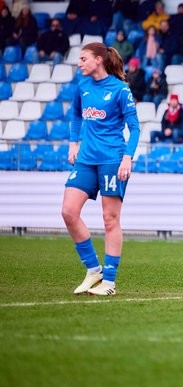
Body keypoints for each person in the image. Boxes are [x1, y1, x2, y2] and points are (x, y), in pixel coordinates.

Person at [62, 43, 140, 296]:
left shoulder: (120, 90)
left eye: (83, 58)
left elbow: (135, 128)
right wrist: (73, 143)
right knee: (68, 212)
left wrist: (127, 158)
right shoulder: (82, 87)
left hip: (112, 159)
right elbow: (75, 114)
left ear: (98, 60)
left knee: (110, 220)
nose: (79, 63)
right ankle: (93, 269)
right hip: (85, 159)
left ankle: (109, 281)